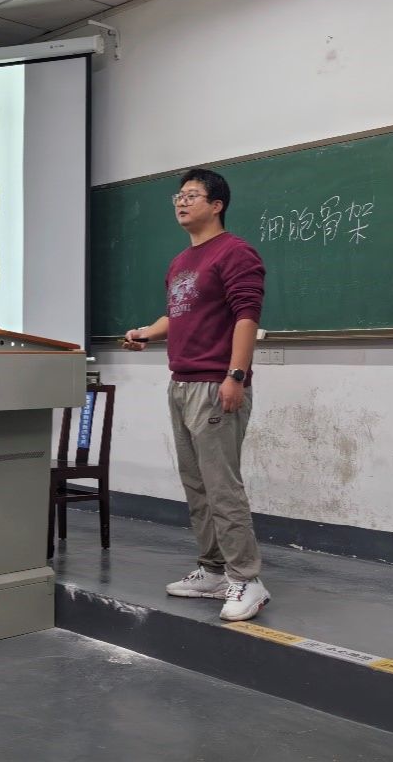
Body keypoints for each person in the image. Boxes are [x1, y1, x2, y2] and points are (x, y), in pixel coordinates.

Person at [121, 168, 269, 621]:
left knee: (222, 487)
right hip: (181, 383)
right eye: (178, 196)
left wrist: (236, 375)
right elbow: (178, 315)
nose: (181, 203)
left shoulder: (235, 252)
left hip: (215, 384)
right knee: (197, 486)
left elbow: (246, 316)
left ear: (217, 204)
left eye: (192, 195)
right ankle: (213, 570)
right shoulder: (181, 262)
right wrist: (146, 332)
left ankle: (247, 579)